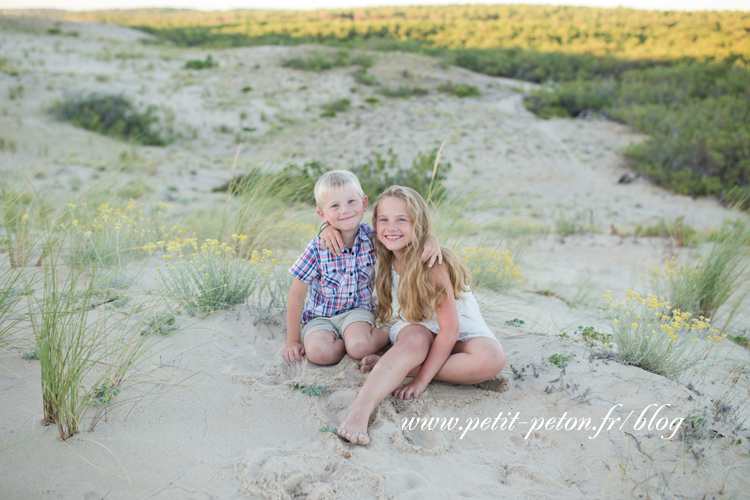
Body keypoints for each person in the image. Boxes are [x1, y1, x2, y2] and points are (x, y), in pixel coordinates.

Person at [338, 185, 506, 445]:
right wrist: (325, 229)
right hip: (418, 326)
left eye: (402, 219)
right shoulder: (380, 248)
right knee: (415, 339)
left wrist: (420, 379)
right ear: (374, 224)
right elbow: (345, 228)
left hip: (459, 329)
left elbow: (450, 329)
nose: (391, 227)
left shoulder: (432, 263)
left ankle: (399, 365)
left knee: (492, 358)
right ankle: (361, 407)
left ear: (418, 224)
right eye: (384, 219)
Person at [283, 171, 441, 366]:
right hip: (320, 316)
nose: (345, 210)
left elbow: (402, 235)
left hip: (357, 312)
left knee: (359, 347)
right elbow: (296, 296)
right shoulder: (317, 247)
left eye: (351, 201)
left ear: (364, 203)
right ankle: (341, 342)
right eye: (335, 206)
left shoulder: (372, 237)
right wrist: (292, 341)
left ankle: (384, 332)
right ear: (322, 214)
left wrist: (429, 237)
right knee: (319, 354)